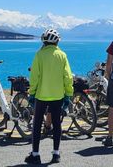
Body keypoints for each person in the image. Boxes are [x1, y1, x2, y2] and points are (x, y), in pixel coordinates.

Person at [25, 29, 73, 165]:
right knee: (57, 124)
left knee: (37, 124)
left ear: (44, 41)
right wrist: (68, 94)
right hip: (58, 95)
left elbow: (34, 76)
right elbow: (68, 77)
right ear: (57, 41)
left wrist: (32, 92)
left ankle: (35, 154)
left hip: (41, 95)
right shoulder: (62, 55)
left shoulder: (39, 55)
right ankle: (56, 153)